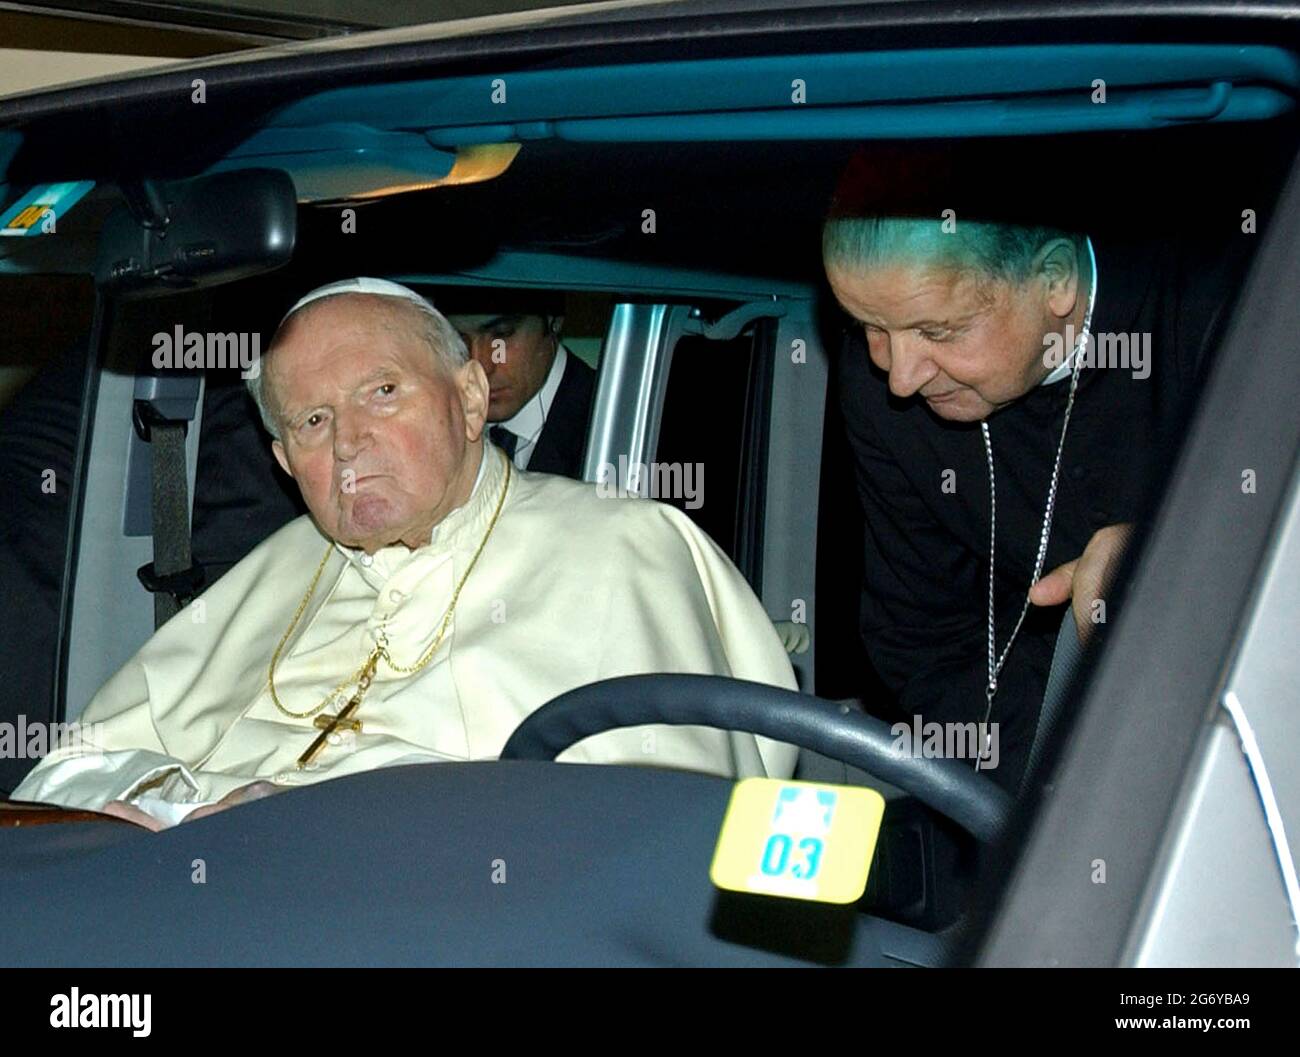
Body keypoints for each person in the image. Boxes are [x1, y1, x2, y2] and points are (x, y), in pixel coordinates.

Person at [11, 278, 797, 829]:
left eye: (382, 393)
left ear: (470, 399)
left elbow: (656, 840)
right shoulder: (276, 566)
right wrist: (159, 803)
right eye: (312, 421)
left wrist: (313, 813)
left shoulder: (624, 548)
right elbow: (72, 769)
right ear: (284, 462)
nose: (349, 441)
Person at [823, 148, 1246, 793]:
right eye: (868, 326)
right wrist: (1036, 801)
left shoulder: (1230, 315)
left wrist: (1179, 573)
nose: (899, 378)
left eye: (938, 331)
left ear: (1056, 281)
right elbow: (922, 641)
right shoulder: (876, 385)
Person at [444, 292, 596, 478]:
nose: (481, 366)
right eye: (458, 341)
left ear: (553, 319)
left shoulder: (617, 423)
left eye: (502, 335)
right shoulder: (432, 420)